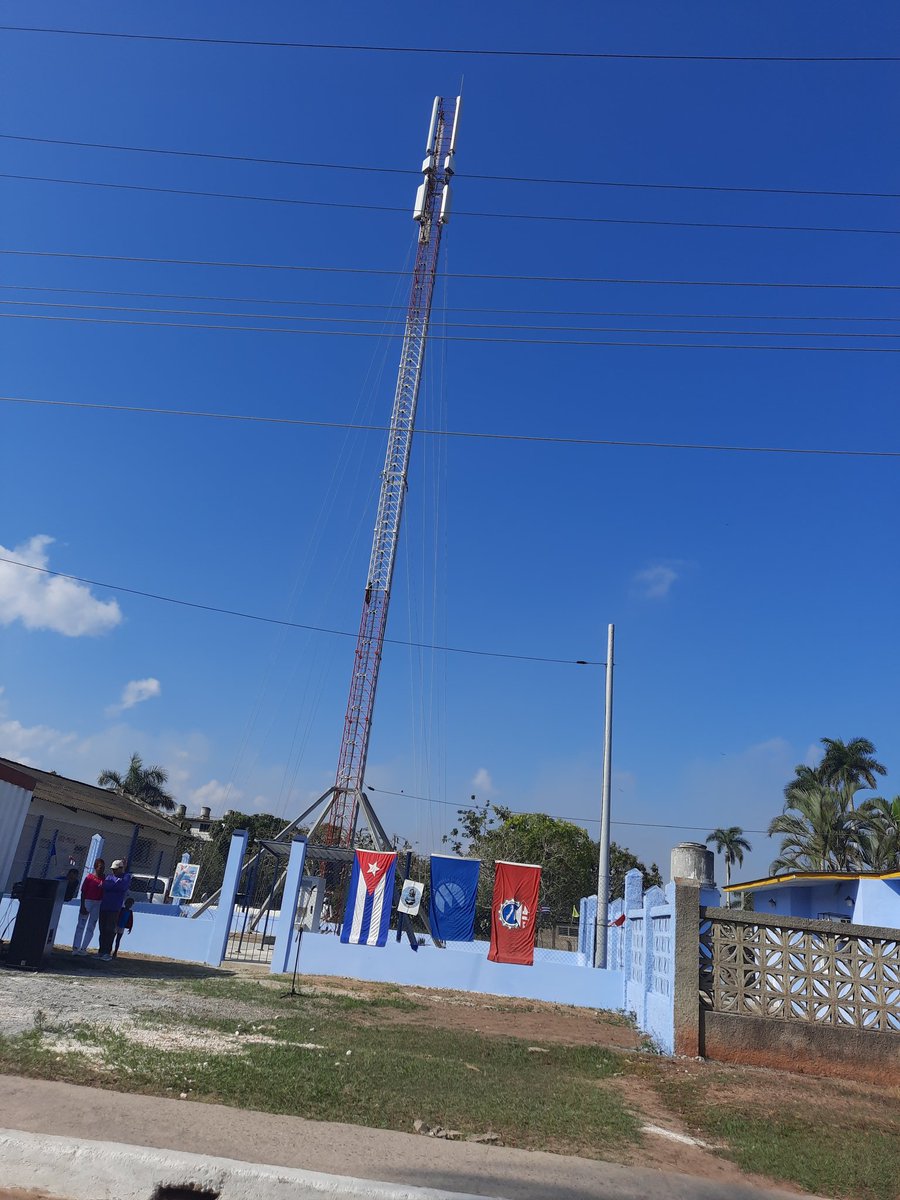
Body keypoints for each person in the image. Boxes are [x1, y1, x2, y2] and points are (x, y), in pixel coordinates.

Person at [97, 859, 132, 962]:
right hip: (104, 906)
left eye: (116, 869)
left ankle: (107, 952)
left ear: (121, 869)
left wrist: (112, 886)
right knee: (102, 929)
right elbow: (104, 886)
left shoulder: (126, 877)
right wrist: (114, 885)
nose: (113, 872)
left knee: (110, 930)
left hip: (114, 908)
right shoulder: (109, 877)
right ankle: (101, 951)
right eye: (113, 869)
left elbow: (122, 887)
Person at [72, 857, 105, 955]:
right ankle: (75, 947)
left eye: (103, 867)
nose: (101, 869)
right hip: (88, 901)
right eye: (100, 867)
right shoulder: (89, 878)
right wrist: (82, 905)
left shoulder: (104, 879)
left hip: (98, 903)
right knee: (81, 924)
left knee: (91, 926)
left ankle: (83, 948)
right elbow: (83, 892)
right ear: (95, 867)